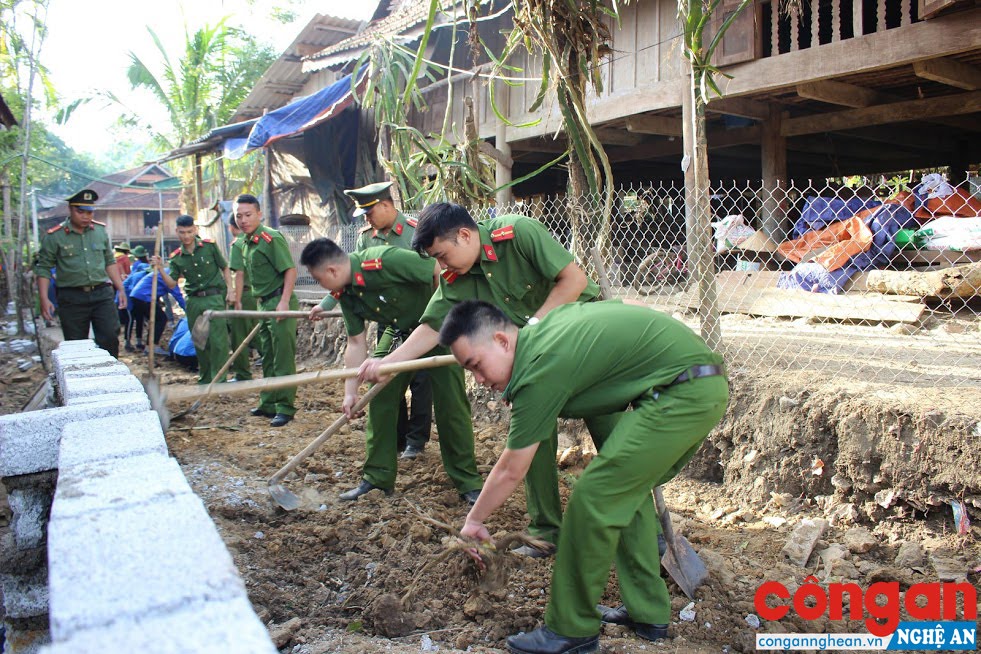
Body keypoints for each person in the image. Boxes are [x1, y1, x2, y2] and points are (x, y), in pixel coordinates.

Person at [440, 300, 729, 654]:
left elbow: (511, 468)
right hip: (685, 384)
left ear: (501, 341)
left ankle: (570, 631)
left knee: (593, 497)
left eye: (477, 366)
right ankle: (647, 614)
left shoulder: (539, 367)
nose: (480, 381)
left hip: (682, 392)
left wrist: (474, 520)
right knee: (626, 495)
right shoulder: (542, 338)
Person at [359, 202, 599, 557]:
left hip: (584, 340)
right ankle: (546, 532)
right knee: (533, 439)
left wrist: (530, 331)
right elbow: (431, 325)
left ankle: (649, 530)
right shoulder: (458, 277)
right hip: (533, 360)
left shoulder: (517, 234)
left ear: (466, 235)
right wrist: (389, 362)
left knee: (615, 437)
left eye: (442, 255)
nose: (441, 267)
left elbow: (574, 280)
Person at [300, 238, 483, 503]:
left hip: (437, 331)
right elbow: (355, 342)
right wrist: (350, 393)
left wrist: (445, 316)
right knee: (380, 397)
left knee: (451, 405)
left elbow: (435, 269)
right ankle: (377, 479)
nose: (321, 287)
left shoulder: (385, 260)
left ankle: (467, 482)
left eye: (318, 280)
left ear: (331, 271)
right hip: (397, 334)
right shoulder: (347, 291)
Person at [313, 181, 434, 460]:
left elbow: (433, 273)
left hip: (421, 319)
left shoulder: (417, 231)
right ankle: (397, 436)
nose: (367, 219)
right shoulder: (366, 237)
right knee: (383, 379)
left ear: (386, 205)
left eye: (370, 213)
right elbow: (349, 276)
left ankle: (417, 440)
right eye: (364, 215)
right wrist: (326, 303)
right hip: (388, 322)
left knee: (420, 380)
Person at [232, 194, 298, 428]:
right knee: (268, 355)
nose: (243, 220)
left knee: (282, 357)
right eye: (238, 216)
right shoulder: (246, 242)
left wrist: (284, 301)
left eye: (248, 215)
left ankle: (285, 407)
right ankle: (268, 402)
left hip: (280, 302)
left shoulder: (271, 238)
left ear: (259, 214)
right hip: (263, 304)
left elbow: (290, 270)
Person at [34, 189, 126, 356]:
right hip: (72, 297)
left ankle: (109, 378)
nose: (86, 216)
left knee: (110, 337)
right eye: (80, 211)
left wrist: (121, 288)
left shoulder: (100, 232)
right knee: (77, 345)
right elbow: (44, 268)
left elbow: (109, 262)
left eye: (89, 212)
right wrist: (44, 298)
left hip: (102, 294)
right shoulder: (55, 237)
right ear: (70, 209)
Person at [154, 215, 233, 385]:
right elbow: (172, 283)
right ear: (177, 232)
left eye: (189, 231)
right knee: (200, 341)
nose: (186, 236)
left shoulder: (209, 247)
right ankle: (205, 378)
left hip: (214, 298)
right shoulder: (176, 258)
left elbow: (225, 267)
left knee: (219, 341)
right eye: (182, 232)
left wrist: (230, 290)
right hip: (194, 302)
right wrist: (160, 269)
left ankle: (220, 380)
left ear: (195, 229)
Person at [227, 214, 268, 382]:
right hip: (258, 293)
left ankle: (243, 373)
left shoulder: (238, 244)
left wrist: (236, 299)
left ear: (231, 227)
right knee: (257, 331)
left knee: (239, 335)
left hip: (244, 294)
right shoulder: (260, 241)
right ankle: (269, 361)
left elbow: (239, 273)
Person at [129, 265, 186, 350]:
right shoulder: (169, 275)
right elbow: (177, 295)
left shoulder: (167, 271)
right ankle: (151, 346)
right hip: (145, 297)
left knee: (154, 320)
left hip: (138, 296)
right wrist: (188, 310)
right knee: (161, 319)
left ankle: (146, 344)